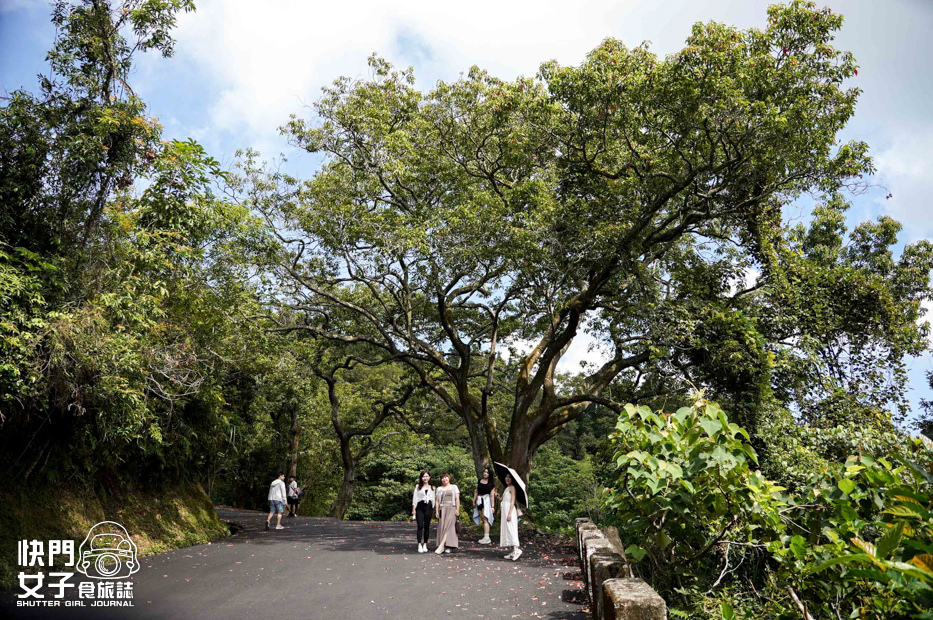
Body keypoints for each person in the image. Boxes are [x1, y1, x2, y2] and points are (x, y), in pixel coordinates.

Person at [434, 473, 460, 554]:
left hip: (451, 507)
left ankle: (441, 546)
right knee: (442, 526)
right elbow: (437, 501)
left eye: (446, 477)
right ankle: (446, 546)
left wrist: (457, 509)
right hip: (443, 508)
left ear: (449, 478)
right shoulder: (439, 489)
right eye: (442, 478)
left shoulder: (454, 487)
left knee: (449, 526)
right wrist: (437, 511)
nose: (444, 479)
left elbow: (457, 499)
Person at [411, 470, 435, 553]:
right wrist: (414, 509)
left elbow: (434, 499)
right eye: (423, 476)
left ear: (429, 477)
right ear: (421, 477)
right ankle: (419, 544)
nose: (425, 478)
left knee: (427, 526)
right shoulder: (418, 487)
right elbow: (415, 498)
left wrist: (434, 508)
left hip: (429, 507)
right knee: (420, 526)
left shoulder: (432, 487)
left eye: (426, 476)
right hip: (420, 507)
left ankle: (425, 544)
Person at [499, 473, 522, 560]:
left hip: (510, 510)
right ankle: (513, 551)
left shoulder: (512, 488)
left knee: (511, 529)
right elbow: (503, 499)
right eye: (506, 477)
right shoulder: (506, 488)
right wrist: (498, 497)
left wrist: (509, 513)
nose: (507, 479)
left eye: (509, 477)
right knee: (507, 529)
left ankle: (517, 550)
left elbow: (512, 501)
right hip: (505, 510)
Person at [472, 465, 497, 544]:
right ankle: (485, 536)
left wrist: (492, 506)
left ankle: (487, 537)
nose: (485, 473)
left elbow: (492, 495)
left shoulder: (491, 484)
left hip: (486, 501)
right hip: (479, 501)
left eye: (487, 472)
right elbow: (476, 491)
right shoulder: (480, 481)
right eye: (485, 472)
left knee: (485, 519)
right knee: (482, 519)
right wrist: (474, 500)